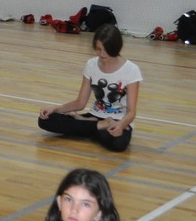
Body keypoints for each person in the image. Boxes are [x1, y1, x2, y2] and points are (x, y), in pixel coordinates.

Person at [37, 23, 141, 152]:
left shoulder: (131, 70)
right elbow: (80, 103)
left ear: (116, 47)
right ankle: (98, 126)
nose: (102, 54)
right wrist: (56, 108)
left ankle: (86, 126)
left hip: (118, 120)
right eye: (98, 49)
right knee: (45, 120)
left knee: (118, 143)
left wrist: (121, 125)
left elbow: (131, 112)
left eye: (106, 50)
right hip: (95, 116)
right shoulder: (91, 64)